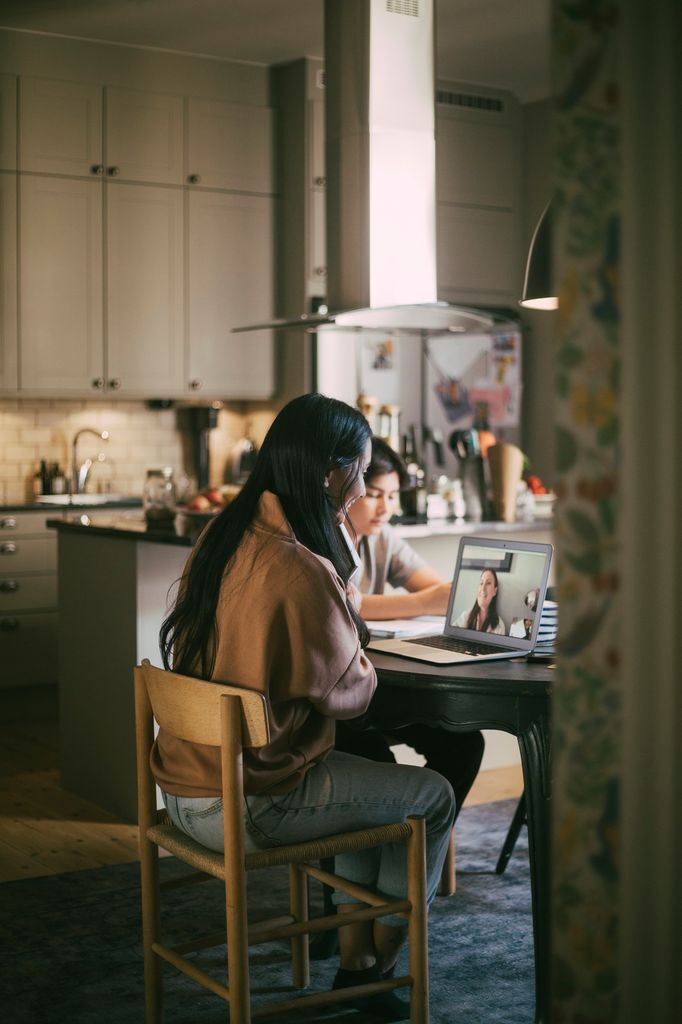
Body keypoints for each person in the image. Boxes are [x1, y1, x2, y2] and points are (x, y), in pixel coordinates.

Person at [153, 394, 456, 1021]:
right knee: (433, 795)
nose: (358, 493)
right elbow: (354, 693)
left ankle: (357, 962)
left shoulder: (224, 534)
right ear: (330, 473)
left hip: (183, 790)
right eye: (358, 476)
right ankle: (386, 961)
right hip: (248, 802)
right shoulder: (298, 565)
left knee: (359, 769)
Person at [335, 436, 485, 819]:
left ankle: (420, 847)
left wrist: (447, 596)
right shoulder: (325, 539)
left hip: (380, 686)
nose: (385, 507)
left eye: (393, 495)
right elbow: (345, 608)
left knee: (464, 743)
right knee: (374, 760)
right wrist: (421, 602)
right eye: (374, 494)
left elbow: (436, 588)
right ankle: (395, 851)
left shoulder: (380, 538)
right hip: (340, 693)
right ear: (348, 488)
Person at [453, 567, 506, 634]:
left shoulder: (499, 626)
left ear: (495, 591)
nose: (483, 589)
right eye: (481, 583)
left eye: (488, 583)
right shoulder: (465, 616)